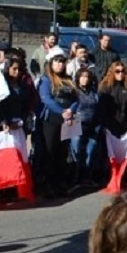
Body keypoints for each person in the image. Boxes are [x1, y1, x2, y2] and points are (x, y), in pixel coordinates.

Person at [37, 53, 78, 199]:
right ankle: (47, 185)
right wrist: (62, 111)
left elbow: (75, 98)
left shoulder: (68, 79)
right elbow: (46, 99)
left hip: (65, 121)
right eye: (57, 61)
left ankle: (59, 183)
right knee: (49, 152)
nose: (60, 64)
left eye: (62, 61)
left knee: (62, 153)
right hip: (50, 120)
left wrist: (71, 110)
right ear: (51, 62)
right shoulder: (45, 80)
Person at [72, 68, 102, 187]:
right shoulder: (74, 92)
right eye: (82, 76)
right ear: (78, 78)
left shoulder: (94, 92)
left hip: (92, 125)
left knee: (91, 150)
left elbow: (99, 109)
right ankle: (76, 179)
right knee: (77, 150)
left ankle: (87, 177)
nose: (85, 79)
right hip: (76, 123)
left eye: (87, 77)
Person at [98, 61, 127, 139]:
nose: (120, 73)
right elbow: (102, 109)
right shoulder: (105, 87)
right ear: (112, 72)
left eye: (123, 71)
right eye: (117, 71)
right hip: (109, 125)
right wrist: (104, 125)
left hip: (125, 125)